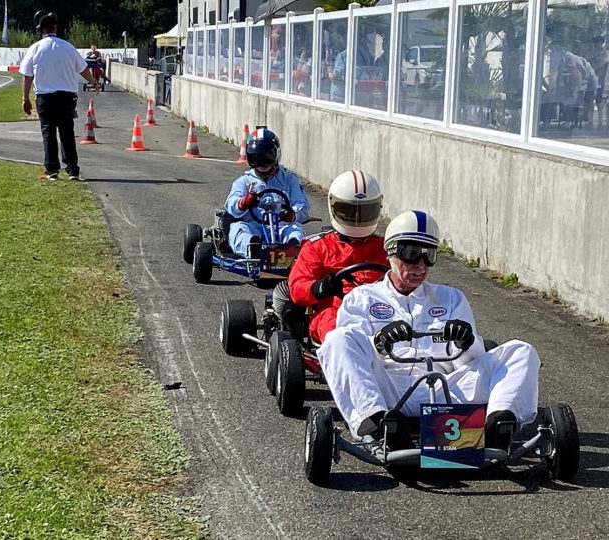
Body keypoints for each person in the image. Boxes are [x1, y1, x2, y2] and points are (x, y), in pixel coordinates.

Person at [317, 210, 540, 450]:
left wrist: (466, 341)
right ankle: (379, 423)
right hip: (389, 391)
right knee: (337, 339)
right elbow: (352, 352)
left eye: (428, 256)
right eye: (412, 254)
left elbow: (472, 362)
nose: (420, 266)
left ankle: (497, 426)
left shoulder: (451, 298)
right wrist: (379, 341)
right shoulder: (362, 298)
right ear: (392, 252)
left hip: (446, 390)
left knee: (521, 350)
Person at [284, 170, 388, 343]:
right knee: (338, 334)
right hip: (335, 308)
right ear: (334, 207)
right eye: (349, 212)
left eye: (364, 212)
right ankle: (345, 361)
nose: (357, 219)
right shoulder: (317, 247)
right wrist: (320, 287)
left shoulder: (385, 248)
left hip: (381, 310)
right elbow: (297, 288)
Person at [19, 11, 99, 181]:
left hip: (45, 96)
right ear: (55, 28)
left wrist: (25, 98)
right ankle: (73, 170)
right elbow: (83, 69)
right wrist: (94, 82)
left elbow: (27, 76)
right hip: (67, 96)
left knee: (48, 132)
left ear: (41, 30)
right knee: (67, 132)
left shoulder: (35, 48)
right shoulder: (68, 47)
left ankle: (52, 170)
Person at [224, 127, 310, 259]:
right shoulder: (244, 181)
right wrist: (243, 203)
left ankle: (292, 252)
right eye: (256, 157)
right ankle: (254, 251)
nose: (262, 162)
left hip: (281, 228)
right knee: (238, 228)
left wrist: (292, 214)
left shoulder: (289, 179)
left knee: (295, 229)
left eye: (266, 156)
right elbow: (231, 205)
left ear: (276, 154)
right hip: (254, 228)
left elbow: (302, 206)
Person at [589, 35, 609, 128]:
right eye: (595, 42)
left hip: (602, 80)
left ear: (602, 42)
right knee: (589, 101)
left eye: (598, 42)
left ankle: (601, 122)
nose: (596, 44)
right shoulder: (592, 53)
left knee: (599, 101)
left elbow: (601, 64)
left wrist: (594, 61)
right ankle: (590, 122)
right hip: (592, 80)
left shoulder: (606, 53)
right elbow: (588, 63)